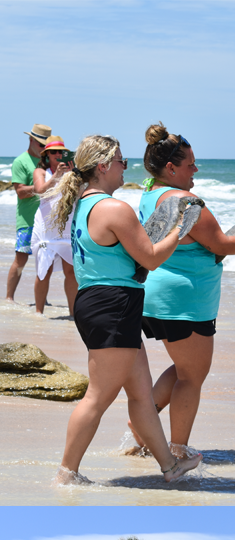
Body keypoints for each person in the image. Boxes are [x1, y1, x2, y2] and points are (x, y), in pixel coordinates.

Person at [46, 134, 202, 486]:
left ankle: (170, 466)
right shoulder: (114, 208)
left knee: (141, 394)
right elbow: (150, 257)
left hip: (102, 302)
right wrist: (180, 228)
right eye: (120, 161)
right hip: (113, 305)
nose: (125, 167)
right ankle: (66, 475)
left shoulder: (83, 205)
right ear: (102, 166)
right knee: (98, 397)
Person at [125, 124, 235, 457]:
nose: (196, 169)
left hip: (154, 294)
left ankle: (143, 423)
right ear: (171, 168)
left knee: (185, 368)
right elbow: (220, 243)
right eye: (190, 164)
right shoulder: (185, 201)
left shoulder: (151, 191)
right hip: (184, 301)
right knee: (192, 376)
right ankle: (178, 450)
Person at [32, 136, 77, 316]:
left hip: (66, 224)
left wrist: (76, 175)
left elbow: (79, 194)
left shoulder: (72, 173)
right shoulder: (40, 172)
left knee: (71, 271)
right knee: (44, 270)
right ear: (47, 155)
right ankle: (38, 313)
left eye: (61, 151)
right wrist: (57, 176)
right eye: (53, 151)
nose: (58, 154)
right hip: (46, 226)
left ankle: (74, 314)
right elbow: (39, 190)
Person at [6, 124, 50, 304]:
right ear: (31, 140)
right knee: (21, 259)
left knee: (45, 261)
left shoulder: (47, 162)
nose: (43, 149)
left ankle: (42, 300)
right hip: (27, 219)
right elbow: (20, 192)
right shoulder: (20, 161)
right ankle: (9, 298)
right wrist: (41, 187)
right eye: (41, 145)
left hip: (47, 221)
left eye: (46, 146)